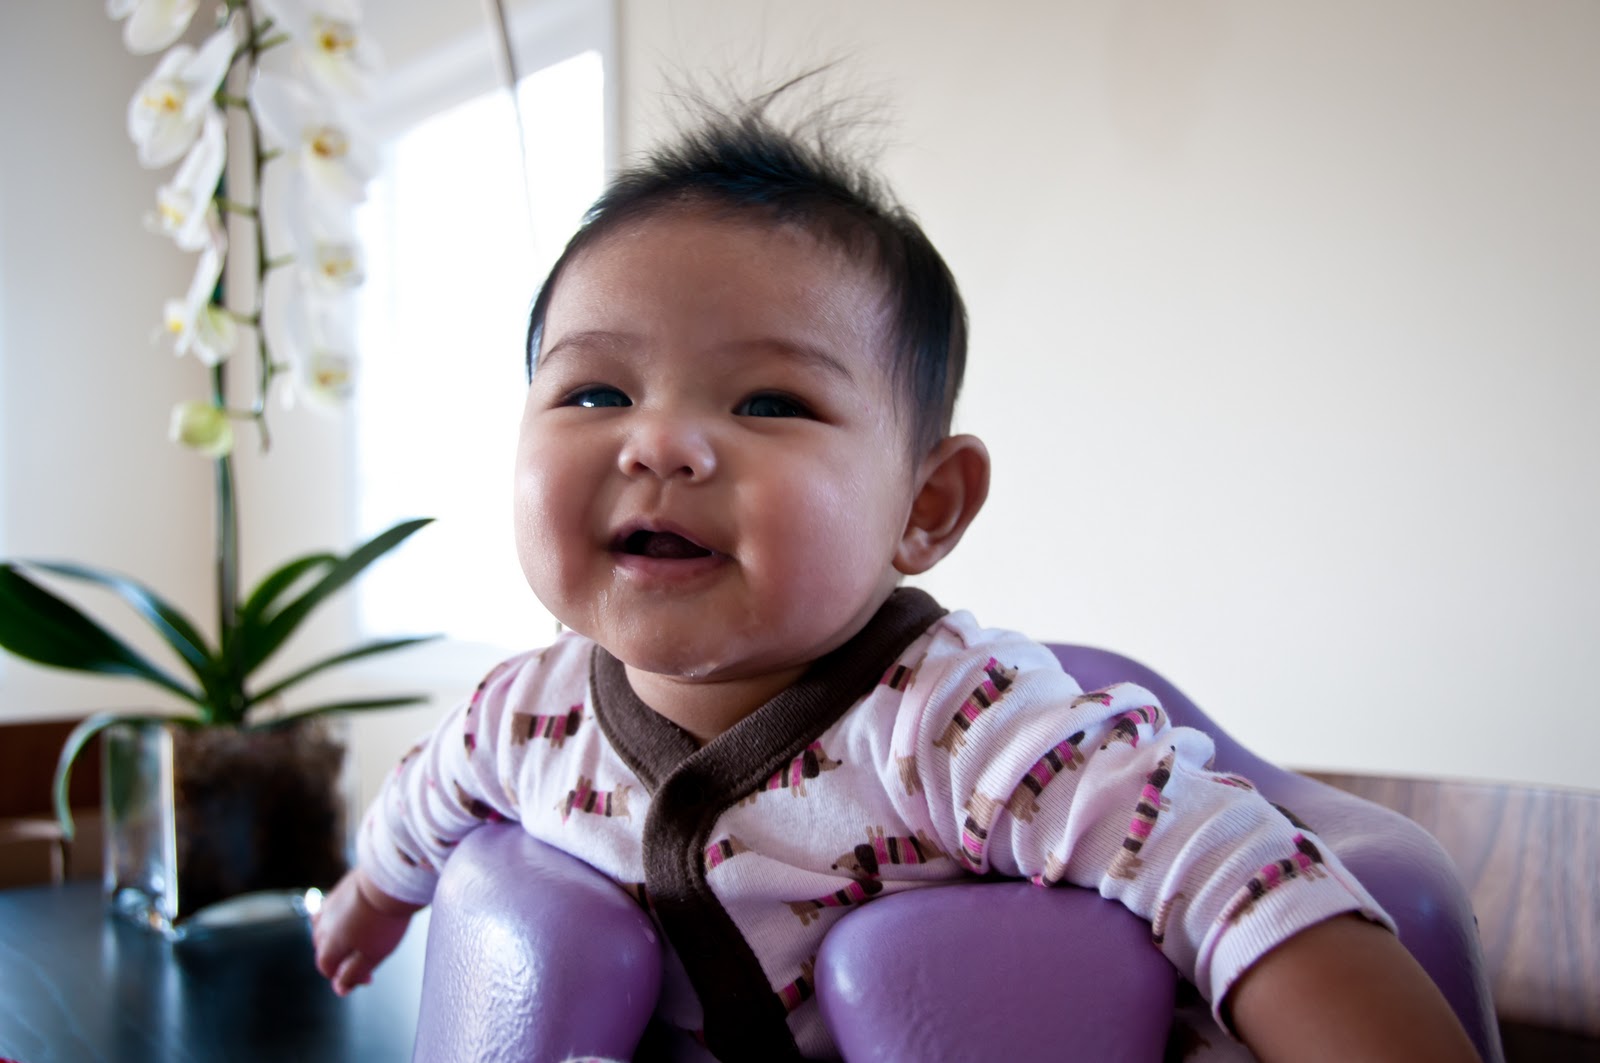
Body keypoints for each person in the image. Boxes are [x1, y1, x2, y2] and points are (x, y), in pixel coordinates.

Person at [312, 88, 1481, 1062]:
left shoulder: (961, 724)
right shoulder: (523, 715)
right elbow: (425, 800)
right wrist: (373, 896)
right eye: (596, 391)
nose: (658, 442)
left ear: (923, 508)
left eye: (769, 401)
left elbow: (1226, 869)